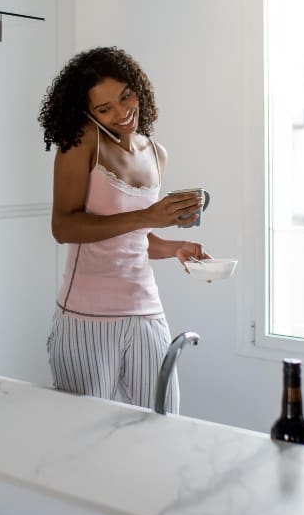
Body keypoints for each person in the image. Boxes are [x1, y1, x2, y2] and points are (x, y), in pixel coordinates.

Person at [37, 46, 208, 414]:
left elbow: (135, 240)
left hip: (146, 311)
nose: (123, 112)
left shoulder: (156, 154)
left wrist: (176, 246)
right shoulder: (84, 142)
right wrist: (150, 215)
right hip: (85, 317)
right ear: (87, 113)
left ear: (138, 87)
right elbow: (63, 225)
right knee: (84, 441)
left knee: (163, 427)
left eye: (126, 96)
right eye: (105, 109)